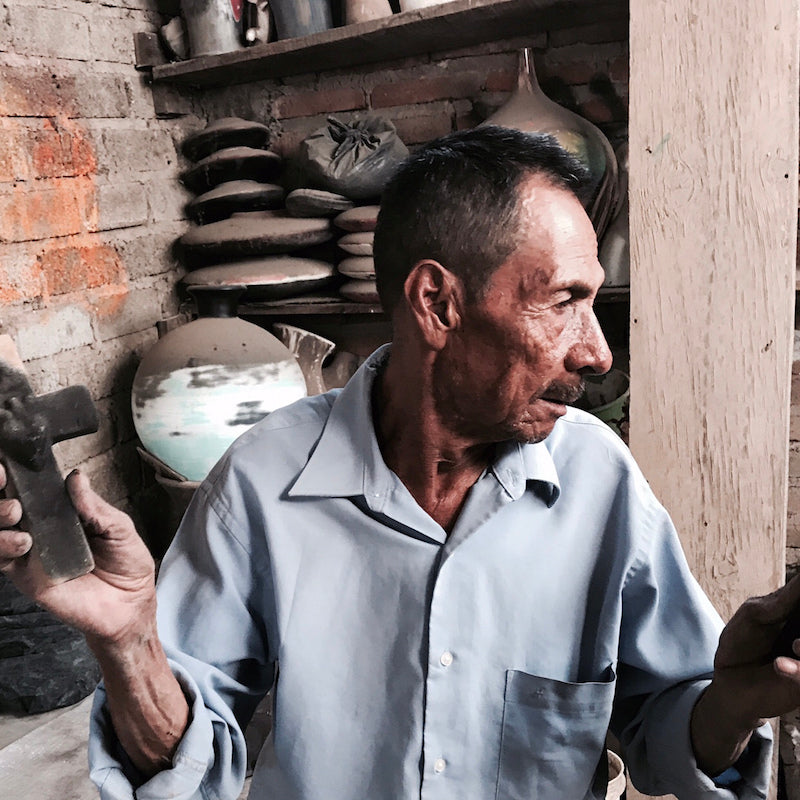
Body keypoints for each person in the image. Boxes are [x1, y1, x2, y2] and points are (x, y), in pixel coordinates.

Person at [0, 126, 798, 800]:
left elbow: (670, 739)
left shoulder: (598, 480)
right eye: (563, 302)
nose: (597, 351)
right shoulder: (262, 483)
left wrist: (732, 701)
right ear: (438, 304)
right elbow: (187, 772)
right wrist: (131, 641)